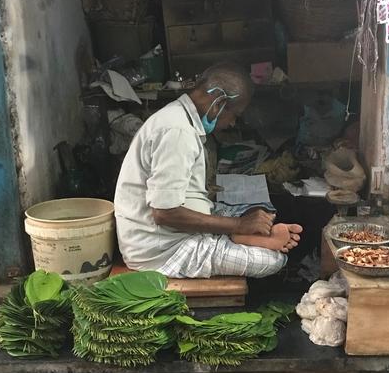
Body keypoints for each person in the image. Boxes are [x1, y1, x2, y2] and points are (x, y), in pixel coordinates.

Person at [114, 62, 302, 278]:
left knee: (251, 209)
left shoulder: (178, 119)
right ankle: (239, 235)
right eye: (235, 115)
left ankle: (240, 236)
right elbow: (164, 213)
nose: (232, 124)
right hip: (164, 250)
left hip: (173, 233)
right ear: (220, 103)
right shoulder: (177, 131)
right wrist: (239, 224)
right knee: (273, 260)